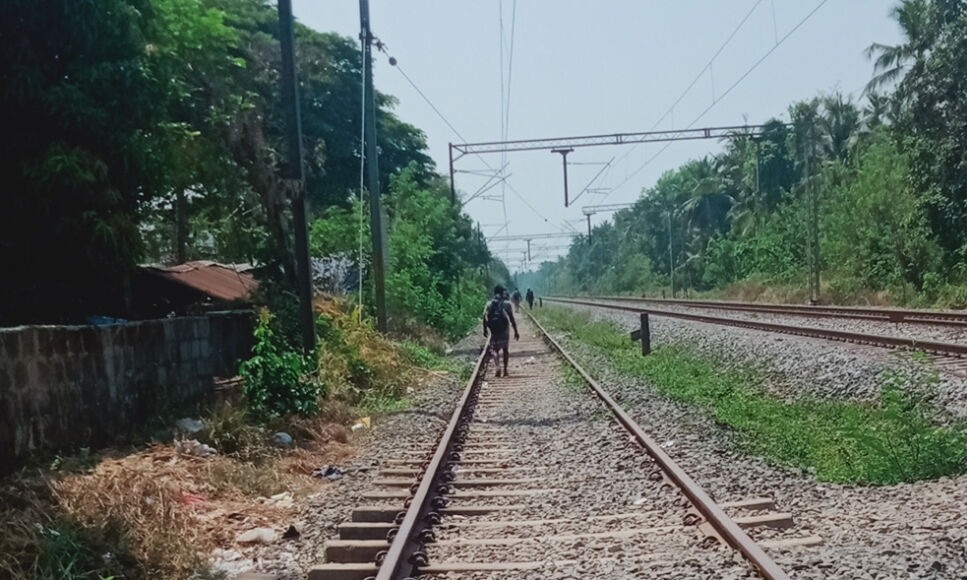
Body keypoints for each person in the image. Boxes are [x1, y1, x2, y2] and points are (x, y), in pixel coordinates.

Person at [483, 285, 519, 378]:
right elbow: (511, 318)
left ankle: (498, 367)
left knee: (495, 350)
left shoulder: (489, 303)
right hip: (504, 329)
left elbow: (485, 317)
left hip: (494, 330)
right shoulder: (507, 304)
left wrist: (485, 330)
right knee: (505, 350)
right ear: (502, 293)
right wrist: (516, 331)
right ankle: (505, 370)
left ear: (494, 293)